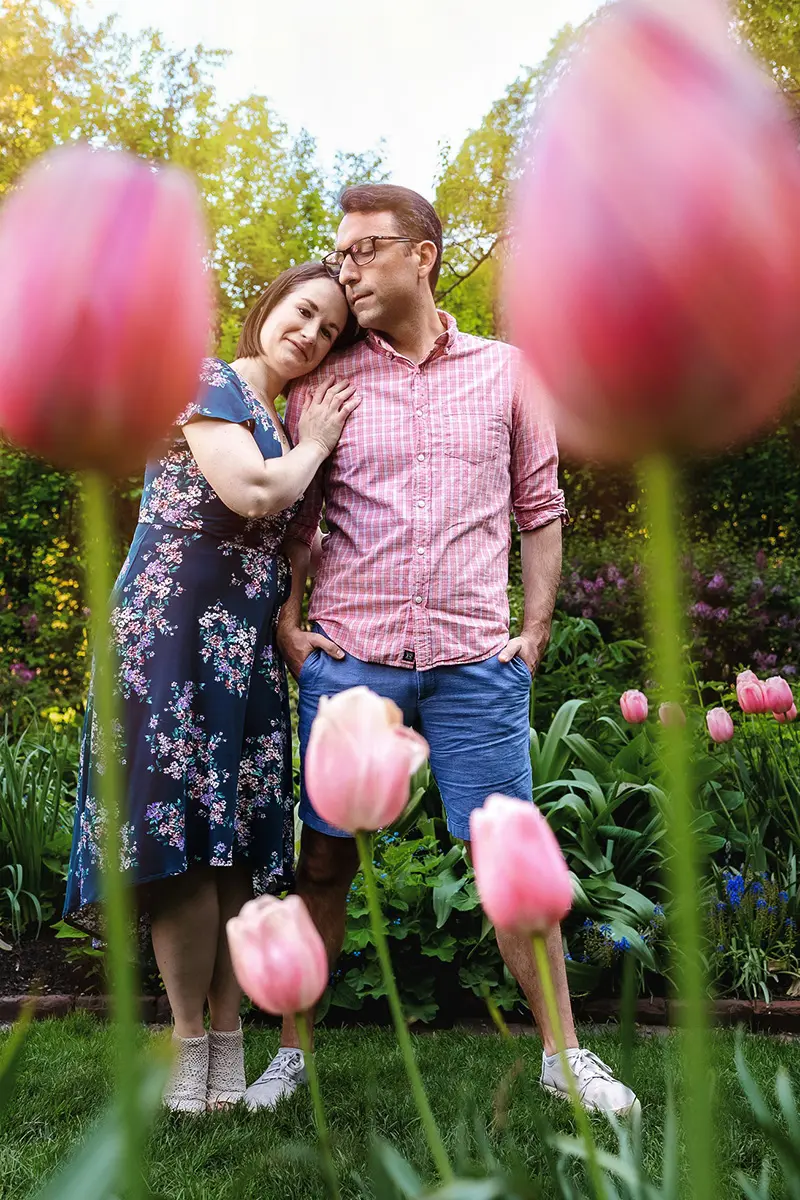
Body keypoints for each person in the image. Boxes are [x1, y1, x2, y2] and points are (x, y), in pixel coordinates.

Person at [244, 185, 639, 1119]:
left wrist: (533, 631)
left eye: (364, 251)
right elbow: (297, 520)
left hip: (473, 662)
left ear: (422, 256)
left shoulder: (509, 373)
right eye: (337, 255)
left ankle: (562, 1056)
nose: (346, 269)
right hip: (353, 661)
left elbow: (539, 511)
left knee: (510, 862)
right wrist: (289, 624)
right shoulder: (326, 384)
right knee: (324, 863)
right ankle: (291, 1056)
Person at [63, 262, 360, 1113]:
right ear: (268, 307)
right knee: (183, 847)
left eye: (330, 330)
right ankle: (189, 1045)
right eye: (304, 312)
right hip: (171, 640)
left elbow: (294, 544)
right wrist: (315, 448)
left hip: (247, 649)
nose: (310, 334)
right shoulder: (210, 382)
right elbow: (251, 488)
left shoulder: (282, 415)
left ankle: (229, 1048)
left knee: (237, 854)